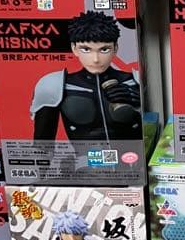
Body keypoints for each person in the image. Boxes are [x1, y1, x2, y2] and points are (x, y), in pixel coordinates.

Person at [32, 11, 141, 142]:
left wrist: (140, 105)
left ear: (115, 48)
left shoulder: (136, 81)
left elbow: (155, 129)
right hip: (83, 155)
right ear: (74, 48)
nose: (96, 59)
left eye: (104, 49)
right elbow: (42, 145)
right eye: (86, 49)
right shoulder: (54, 85)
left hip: (134, 154)